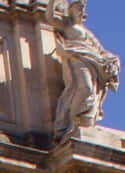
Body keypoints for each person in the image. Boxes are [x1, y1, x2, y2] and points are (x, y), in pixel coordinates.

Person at [51, 0, 120, 138]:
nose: (80, 10)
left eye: (82, 8)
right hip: (77, 58)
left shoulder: (87, 33)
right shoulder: (66, 25)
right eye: (77, 8)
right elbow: (49, 17)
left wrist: (112, 60)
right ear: (70, 10)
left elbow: (100, 50)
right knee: (86, 88)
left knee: (91, 91)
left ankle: (79, 121)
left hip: (92, 60)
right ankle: (72, 121)